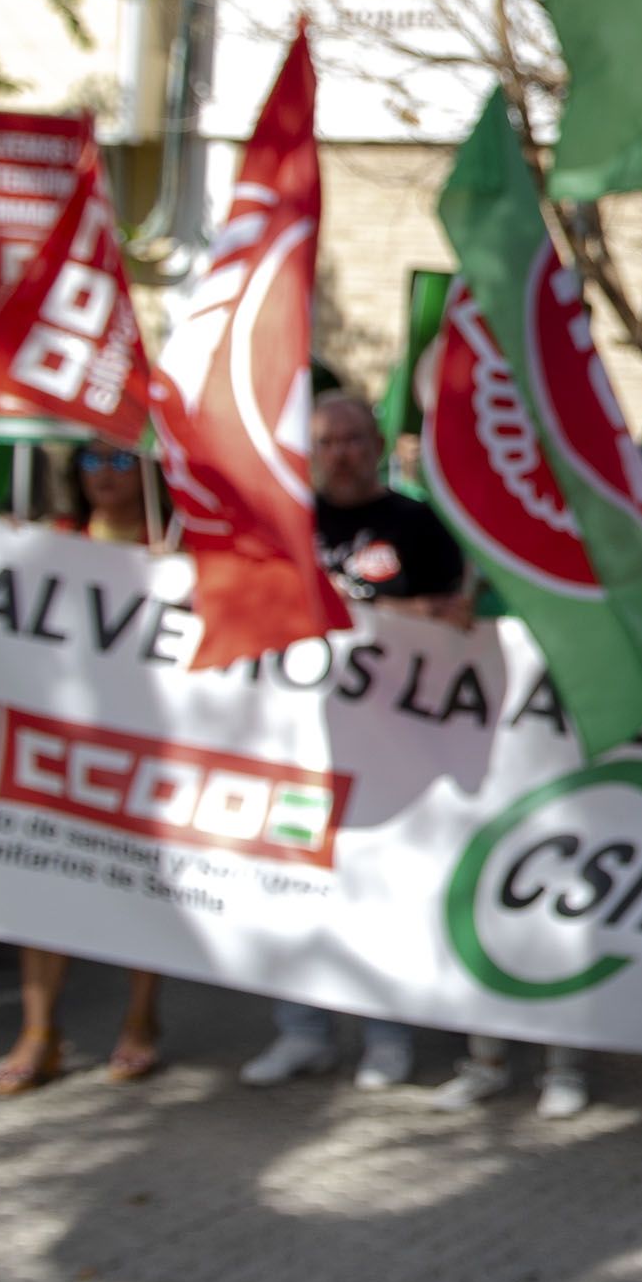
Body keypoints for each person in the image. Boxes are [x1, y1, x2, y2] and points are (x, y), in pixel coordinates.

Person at [241, 394, 473, 1093]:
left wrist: (385, 613)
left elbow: (450, 619)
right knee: (292, 888)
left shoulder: (418, 524)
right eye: (327, 440)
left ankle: (386, 1035)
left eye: (351, 438)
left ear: (374, 443)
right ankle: (302, 1031)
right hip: (297, 740)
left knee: (378, 890)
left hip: (390, 746)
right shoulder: (289, 519)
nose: (340, 451)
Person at [0, 443, 171, 1094]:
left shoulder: (173, 544)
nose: (104, 472)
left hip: (145, 739)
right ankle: (39, 1030)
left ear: (147, 473)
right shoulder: (53, 541)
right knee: (44, 880)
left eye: (121, 462)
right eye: (93, 459)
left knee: (136, 882)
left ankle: (140, 1014)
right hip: (60, 737)